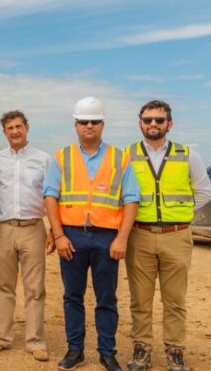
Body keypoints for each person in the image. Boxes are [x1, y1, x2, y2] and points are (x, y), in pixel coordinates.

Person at [44, 97, 140, 371]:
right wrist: (59, 236)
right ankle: (75, 350)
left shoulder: (120, 158)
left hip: (107, 239)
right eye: (84, 121)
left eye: (94, 121)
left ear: (102, 124)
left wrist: (122, 238)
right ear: (75, 124)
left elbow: (131, 199)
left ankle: (107, 353)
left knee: (106, 298)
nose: (89, 126)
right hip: (71, 237)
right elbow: (50, 196)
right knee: (72, 296)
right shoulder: (61, 157)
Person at [124, 100, 211, 371]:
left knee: (175, 299)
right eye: (148, 120)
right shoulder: (126, 155)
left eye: (159, 120)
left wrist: (180, 214)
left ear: (169, 123)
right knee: (140, 298)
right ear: (140, 123)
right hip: (139, 235)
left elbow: (204, 192)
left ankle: (175, 351)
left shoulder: (188, 154)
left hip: (176, 236)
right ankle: (141, 349)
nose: (153, 124)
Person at [0, 110, 51, 362]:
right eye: (10, 128)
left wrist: (54, 230)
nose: (15, 131)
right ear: (4, 132)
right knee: (4, 285)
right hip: (3, 229)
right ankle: (2, 337)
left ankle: (35, 341)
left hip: (34, 228)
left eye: (18, 126)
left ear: (27, 127)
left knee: (35, 288)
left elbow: (52, 195)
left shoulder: (43, 159)